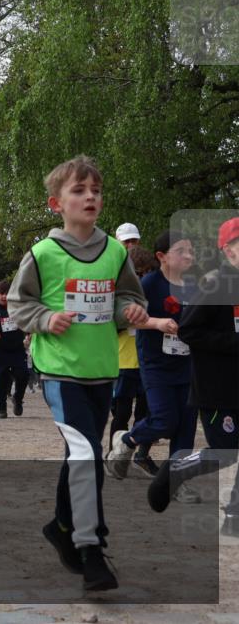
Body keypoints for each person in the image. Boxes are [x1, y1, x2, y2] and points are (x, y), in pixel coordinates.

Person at [8, 155, 148, 592]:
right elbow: (18, 304)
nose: (90, 197)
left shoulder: (112, 252)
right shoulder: (43, 254)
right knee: (87, 455)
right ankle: (92, 552)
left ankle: (60, 526)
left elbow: (128, 297)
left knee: (80, 456)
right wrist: (46, 319)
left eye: (96, 191)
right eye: (79, 191)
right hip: (60, 372)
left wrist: (130, 309)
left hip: (103, 370)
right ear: (56, 203)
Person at [148, 216, 239, 537]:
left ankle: (233, 518)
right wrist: (232, 342)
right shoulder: (214, 284)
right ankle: (175, 469)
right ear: (227, 250)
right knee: (226, 453)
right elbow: (188, 330)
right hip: (216, 387)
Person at [106, 230, 201, 505]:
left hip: (187, 363)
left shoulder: (194, 286)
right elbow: (126, 319)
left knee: (185, 427)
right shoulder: (149, 284)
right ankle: (127, 440)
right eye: (182, 251)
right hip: (155, 364)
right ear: (162, 257)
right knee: (164, 419)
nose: (189, 256)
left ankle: (176, 483)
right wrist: (157, 323)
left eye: (191, 251)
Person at [107, 245, 158, 475]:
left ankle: (142, 455)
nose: (142, 277)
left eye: (147, 272)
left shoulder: (154, 291)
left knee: (149, 414)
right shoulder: (118, 292)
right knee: (122, 412)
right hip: (123, 361)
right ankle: (115, 455)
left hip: (149, 362)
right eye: (138, 273)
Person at [0, 280, 29, 418]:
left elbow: (27, 323)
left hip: (17, 349)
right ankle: (1, 407)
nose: (4, 296)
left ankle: (18, 399)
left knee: (23, 375)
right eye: (1, 293)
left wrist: (28, 334)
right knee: (1, 378)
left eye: (7, 293)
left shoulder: (18, 309)